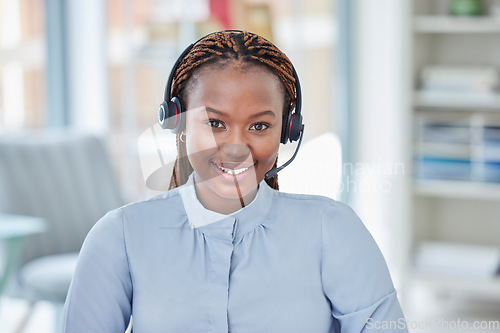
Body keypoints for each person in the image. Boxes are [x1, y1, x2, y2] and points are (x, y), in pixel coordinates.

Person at [62, 30, 408, 332]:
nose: (237, 148)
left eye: (259, 126)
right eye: (215, 123)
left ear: (287, 131)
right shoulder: (120, 237)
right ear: (178, 122)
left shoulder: (332, 230)